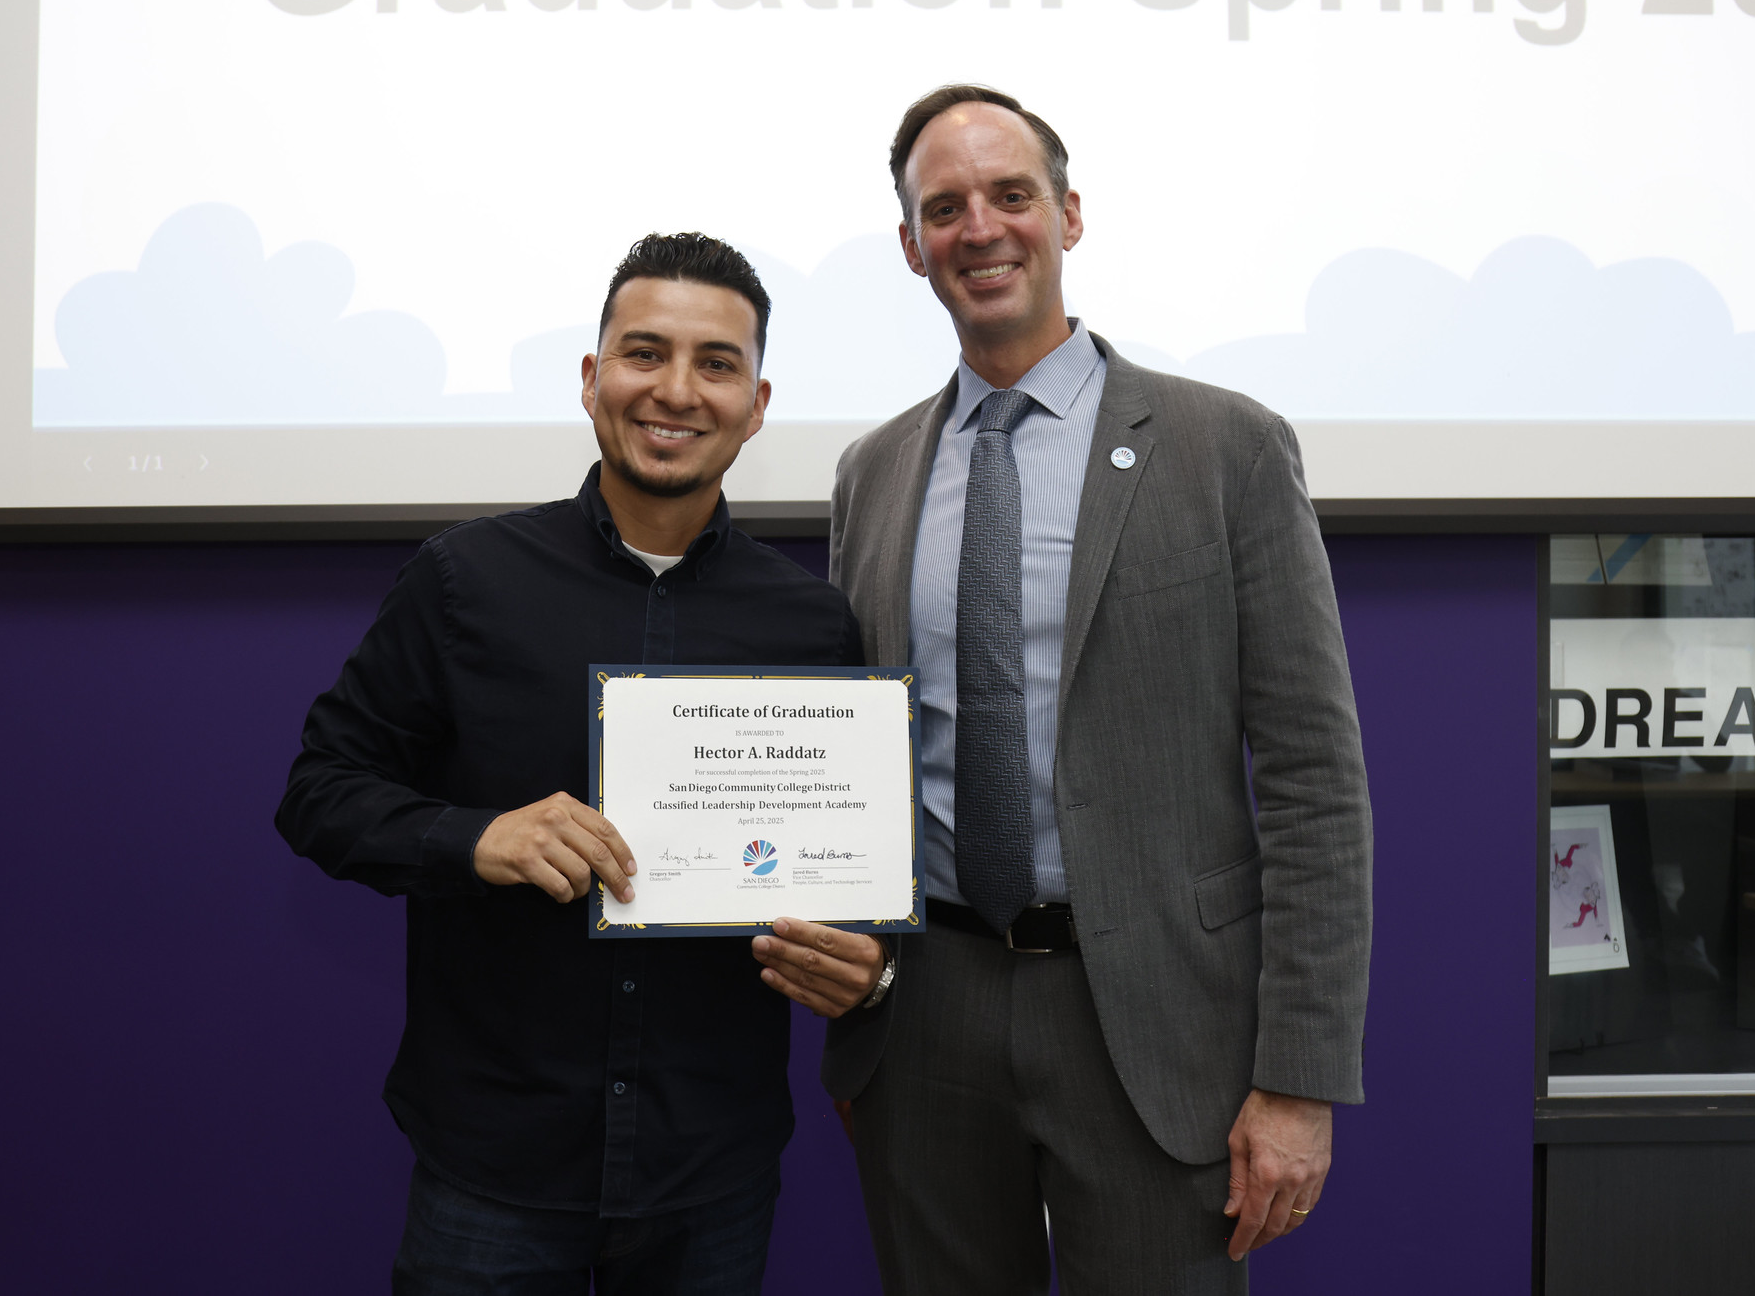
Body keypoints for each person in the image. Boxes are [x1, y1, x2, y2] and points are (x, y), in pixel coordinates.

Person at [816, 84, 1375, 1294]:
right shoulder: (869, 475)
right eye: (944, 208)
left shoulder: (1223, 446)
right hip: (927, 1017)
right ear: (911, 248)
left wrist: (1298, 1078)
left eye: (1010, 196)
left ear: (1067, 215)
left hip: (1157, 1023)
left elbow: (1312, 780)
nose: (981, 228)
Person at [275, 232, 887, 1295]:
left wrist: (863, 961)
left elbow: (839, 873)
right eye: (643, 353)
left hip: (711, 1165)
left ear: (757, 400)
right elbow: (319, 792)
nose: (676, 391)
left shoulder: (812, 625)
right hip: (494, 1162)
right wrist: (475, 837)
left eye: (716, 364)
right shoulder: (463, 581)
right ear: (591, 377)